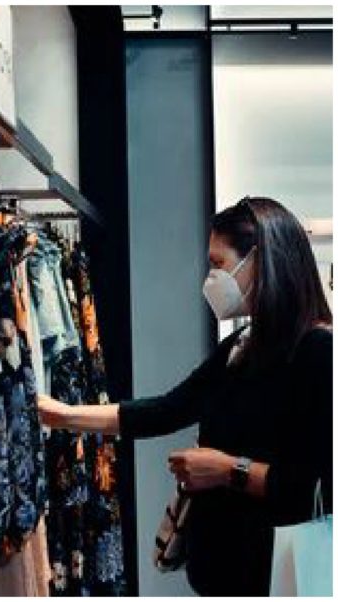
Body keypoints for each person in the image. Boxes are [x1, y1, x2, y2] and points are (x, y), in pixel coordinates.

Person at [39, 197, 333, 596]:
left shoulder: (317, 351)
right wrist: (64, 415)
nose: (211, 278)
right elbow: (167, 409)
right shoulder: (242, 346)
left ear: (261, 262)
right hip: (221, 571)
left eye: (218, 263)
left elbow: (318, 486)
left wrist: (229, 469)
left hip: (275, 576)